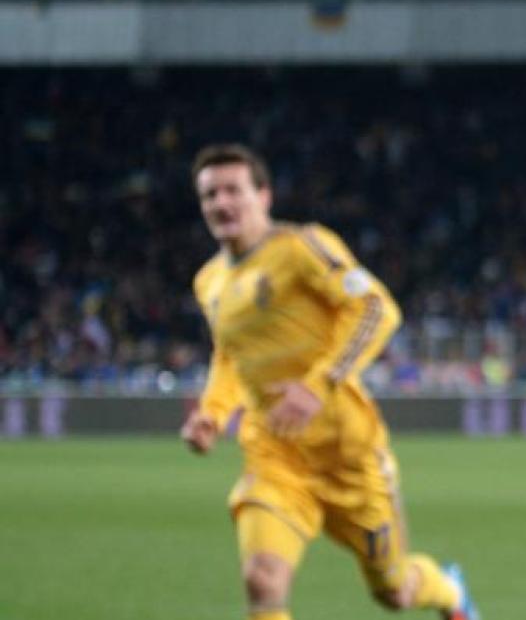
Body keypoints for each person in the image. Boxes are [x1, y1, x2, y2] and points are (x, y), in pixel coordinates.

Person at [179, 144, 478, 620]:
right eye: (210, 194)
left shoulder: (301, 247)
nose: (221, 203)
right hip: (275, 454)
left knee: (394, 591)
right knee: (262, 580)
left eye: (233, 190)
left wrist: (316, 386)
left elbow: (376, 307)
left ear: (264, 195)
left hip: (348, 455)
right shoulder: (209, 281)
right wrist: (212, 415)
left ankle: (449, 592)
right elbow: (229, 357)